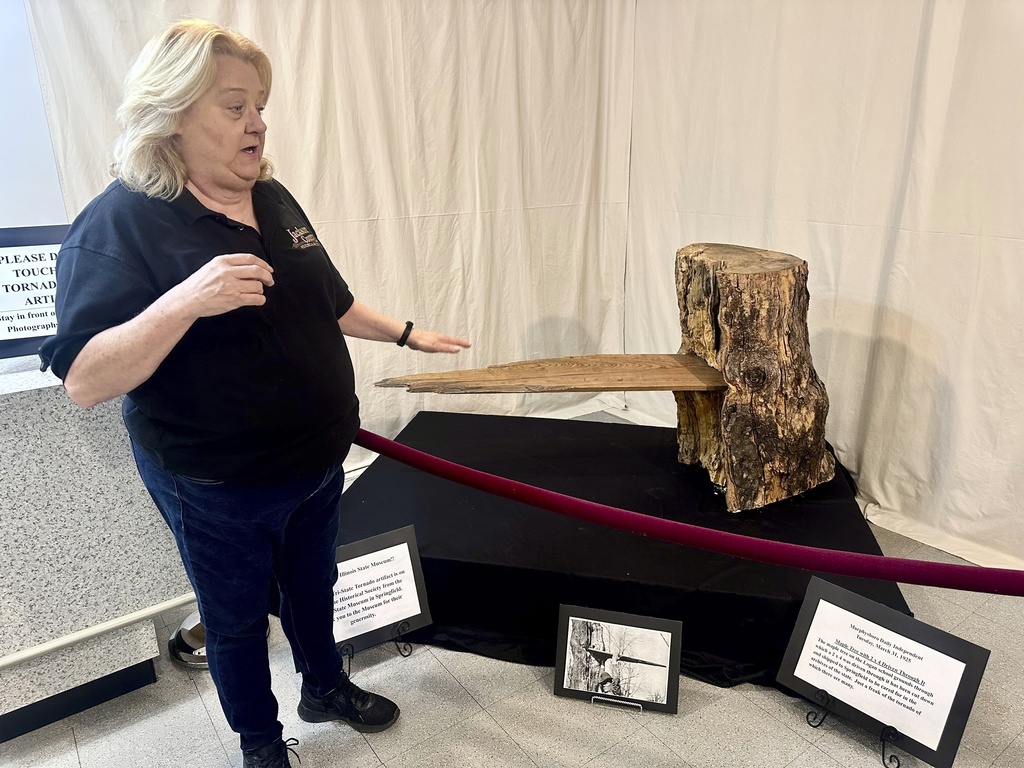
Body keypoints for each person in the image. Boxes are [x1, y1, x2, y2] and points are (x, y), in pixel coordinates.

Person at [39, 19, 470, 768]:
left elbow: (330, 300)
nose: (258, 123)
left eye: (260, 104)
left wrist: (406, 333)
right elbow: (85, 381)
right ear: (172, 113)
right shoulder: (118, 225)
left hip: (315, 460)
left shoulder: (271, 196)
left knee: (313, 584)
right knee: (235, 620)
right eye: (234, 106)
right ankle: (261, 743)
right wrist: (184, 301)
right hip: (216, 481)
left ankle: (325, 685)